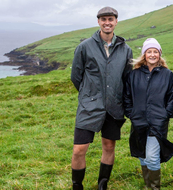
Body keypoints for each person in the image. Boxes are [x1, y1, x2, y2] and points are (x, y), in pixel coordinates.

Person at [70, 6, 133, 190]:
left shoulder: (125, 49)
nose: (107, 22)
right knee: (79, 149)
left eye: (110, 19)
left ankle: (102, 184)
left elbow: (127, 77)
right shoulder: (84, 47)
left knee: (108, 146)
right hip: (89, 106)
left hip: (114, 106)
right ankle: (77, 185)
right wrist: (88, 95)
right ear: (98, 22)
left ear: (116, 22)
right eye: (103, 19)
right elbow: (76, 76)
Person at [124, 38, 173, 190]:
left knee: (152, 157)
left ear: (160, 55)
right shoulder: (133, 75)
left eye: (156, 51)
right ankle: (148, 185)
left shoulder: (167, 75)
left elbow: (172, 99)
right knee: (142, 155)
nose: (153, 54)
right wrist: (131, 113)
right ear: (144, 54)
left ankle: (154, 188)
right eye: (149, 51)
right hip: (138, 122)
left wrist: (165, 115)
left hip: (157, 123)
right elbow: (127, 97)